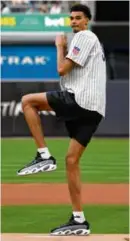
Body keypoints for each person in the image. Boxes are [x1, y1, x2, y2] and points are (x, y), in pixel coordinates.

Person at [17, 4, 106, 236]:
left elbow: (61, 69)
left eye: (78, 18)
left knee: (27, 101)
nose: (74, 22)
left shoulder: (84, 36)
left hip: (80, 100)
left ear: (87, 21)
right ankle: (79, 220)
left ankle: (43, 155)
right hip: (95, 110)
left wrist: (59, 46)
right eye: (71, 19)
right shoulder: (89, 40)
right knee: (71, 160)